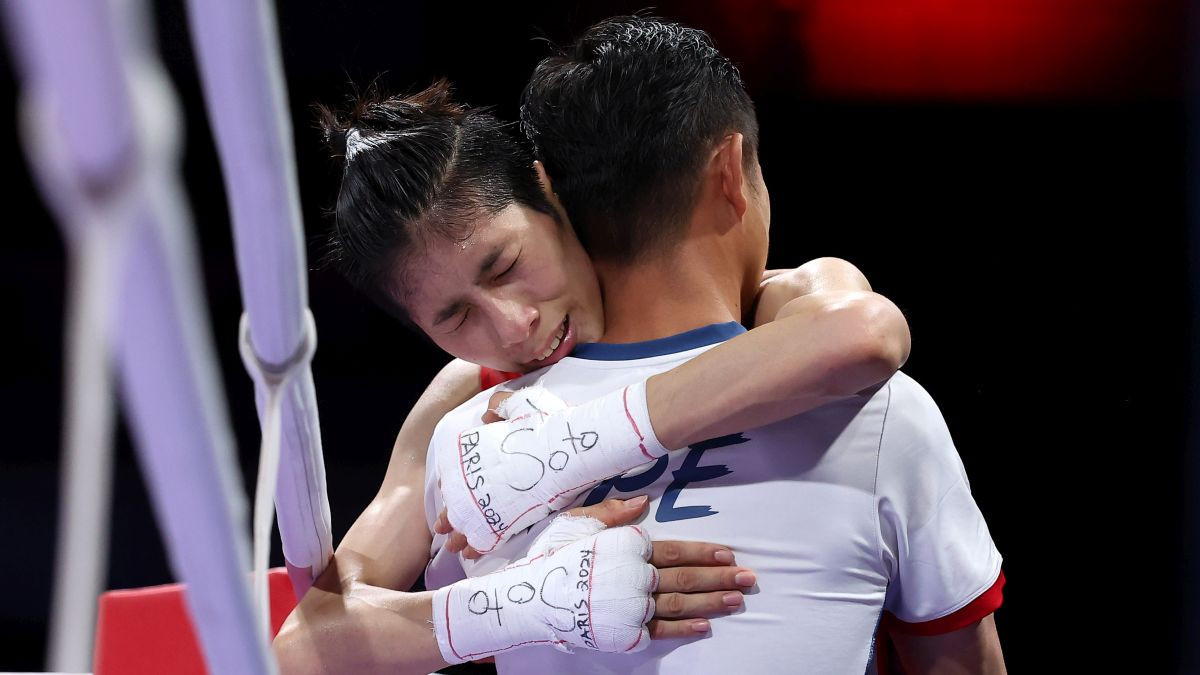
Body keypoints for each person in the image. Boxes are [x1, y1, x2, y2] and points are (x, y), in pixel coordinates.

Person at [274, 32, 916, 675]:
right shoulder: (465, 401)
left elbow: (865, 334)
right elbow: (302, 648)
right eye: (456, 316)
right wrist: (526, 604)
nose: (514, 324)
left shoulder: (768, 307)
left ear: (546, 192)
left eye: (506, 266)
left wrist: (552, 458)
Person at [419, 16, 1007, 674]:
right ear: (731, 170)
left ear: (550, 192)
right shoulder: (875, 412)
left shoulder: (472, 444)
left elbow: (326, 627)